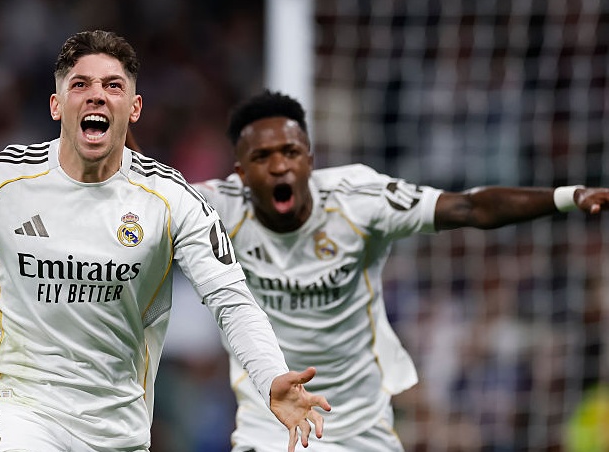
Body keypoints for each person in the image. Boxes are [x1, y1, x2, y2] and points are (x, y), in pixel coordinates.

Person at [0, 32, 331, 452]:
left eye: (113, 85)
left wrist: (270, 377)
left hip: (115, 427)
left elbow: (231, 298)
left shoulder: (172, 201)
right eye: (80, 84)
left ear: (134, 109)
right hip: (14, 407)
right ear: (56, 105)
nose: (96, 94)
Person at [193, 90, 609, 451]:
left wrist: (567, 196)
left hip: (360, 426)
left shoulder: (359, 199)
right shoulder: (215, 207)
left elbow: (469, 206)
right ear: (241, 174)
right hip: (271, 422)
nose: (279, 166)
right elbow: (154, 197)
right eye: (262, 157)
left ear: (310, 161)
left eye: (290, 152)